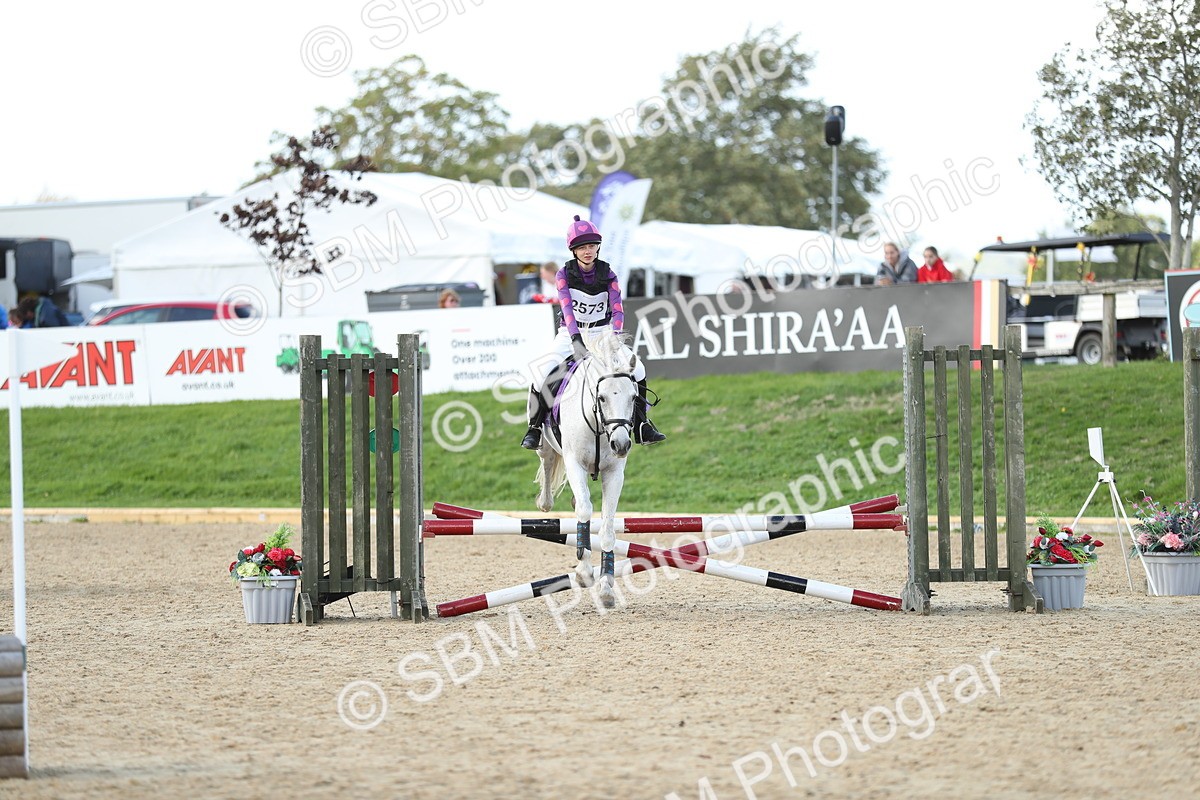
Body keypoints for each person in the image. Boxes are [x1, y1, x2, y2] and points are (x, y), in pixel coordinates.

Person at [520, 215, 666, 450]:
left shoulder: (608, 274)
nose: (587, 251)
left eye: (591, 245)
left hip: (602, 333)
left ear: (598, 247)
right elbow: (567, 309)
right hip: (570, 334)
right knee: (541, 374)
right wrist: (576, 339)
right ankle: (535, 427)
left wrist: (615, 337)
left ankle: (642, 424)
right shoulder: (563, 275)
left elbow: (617, 309)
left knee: (638, 369)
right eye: (582, 247)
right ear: (574, 250)